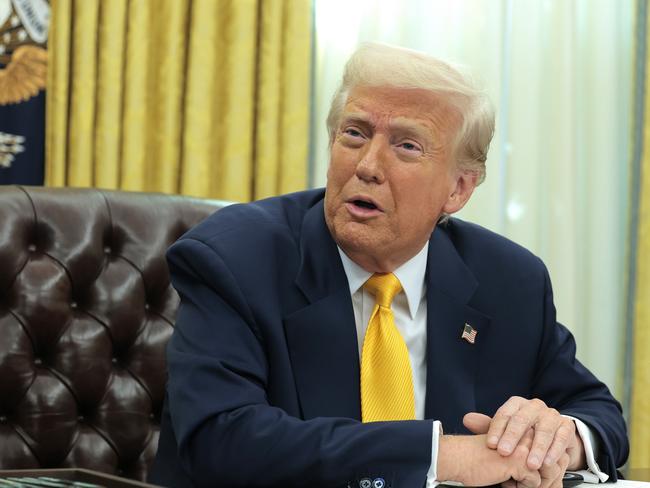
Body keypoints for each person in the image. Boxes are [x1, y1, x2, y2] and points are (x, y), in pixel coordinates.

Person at [149, 43, 628, 488]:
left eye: (407, 146)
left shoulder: (509, 279)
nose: (368, 166)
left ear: (458, 189)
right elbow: (222, 440)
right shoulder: (234, 259)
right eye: (354, 134)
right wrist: (445, 456)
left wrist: (559, 438)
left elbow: (598, 411)